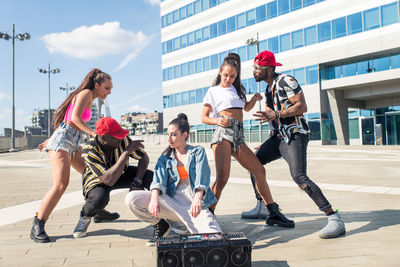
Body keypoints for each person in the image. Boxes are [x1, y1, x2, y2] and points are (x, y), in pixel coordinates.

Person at [244, 50, 345, 239]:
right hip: (278, 138)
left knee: (299, 176)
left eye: (257, 68)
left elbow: (302, 106)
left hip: (295, 135)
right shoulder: (268, 88)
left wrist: (277, 114)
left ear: (268, 68)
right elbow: (273, 114)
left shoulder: (286, 80)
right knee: (253, 164)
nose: (254, 72)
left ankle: (334, 218)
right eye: (254, 68)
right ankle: (267, 209)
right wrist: (269, 119)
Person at [201, 53, 294, 228]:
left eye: (232, 76)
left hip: (239, 135)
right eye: (226, 74)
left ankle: (272, 212)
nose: (228, 79)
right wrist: (217, 120)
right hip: (223, 133)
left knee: (259, 170)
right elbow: (204, 117)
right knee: (222, 178)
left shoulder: (237, 89)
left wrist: (253, 100)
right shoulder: (213, 91)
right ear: (220, 71)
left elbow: (245, 108)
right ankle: (208, 213)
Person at [30, 68, 117, 243]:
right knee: (61, 184)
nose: (109, 92)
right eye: (107, 88)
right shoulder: (85, 93)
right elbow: (75, 119)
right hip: (63, 143)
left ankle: (96, 209)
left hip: (71, 143)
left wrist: (49, 138)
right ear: (97, 84)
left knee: (93, 174)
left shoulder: (90, 97)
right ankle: (38, 224)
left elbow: (67, 120)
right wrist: (93, 134)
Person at [125, 113, 221, 247]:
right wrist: (154, 199)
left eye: (174, 134)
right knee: (132, 199)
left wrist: (198, 199)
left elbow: (202, 178)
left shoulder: (198, 152)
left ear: (185, 135)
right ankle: (166, 224)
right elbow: (157, 181)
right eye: (168, 134)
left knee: (215, 237)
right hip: (173, 202)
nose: (169, 138)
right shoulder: (165, 158)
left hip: (194, 203)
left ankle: (187, 223)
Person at [72, 117, 153, 238]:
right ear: (103, 136)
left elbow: (143, 158)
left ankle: (166, 212)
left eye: (120, 135)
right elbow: (108, 180)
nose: (120, 139)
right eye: (116, 136)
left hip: (121, 172)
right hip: (99, 180)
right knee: (99, 199)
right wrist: (126, 153)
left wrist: (136, 182)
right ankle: (86, 216)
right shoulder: (89, 150)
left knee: (150, 177)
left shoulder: (123, 140)